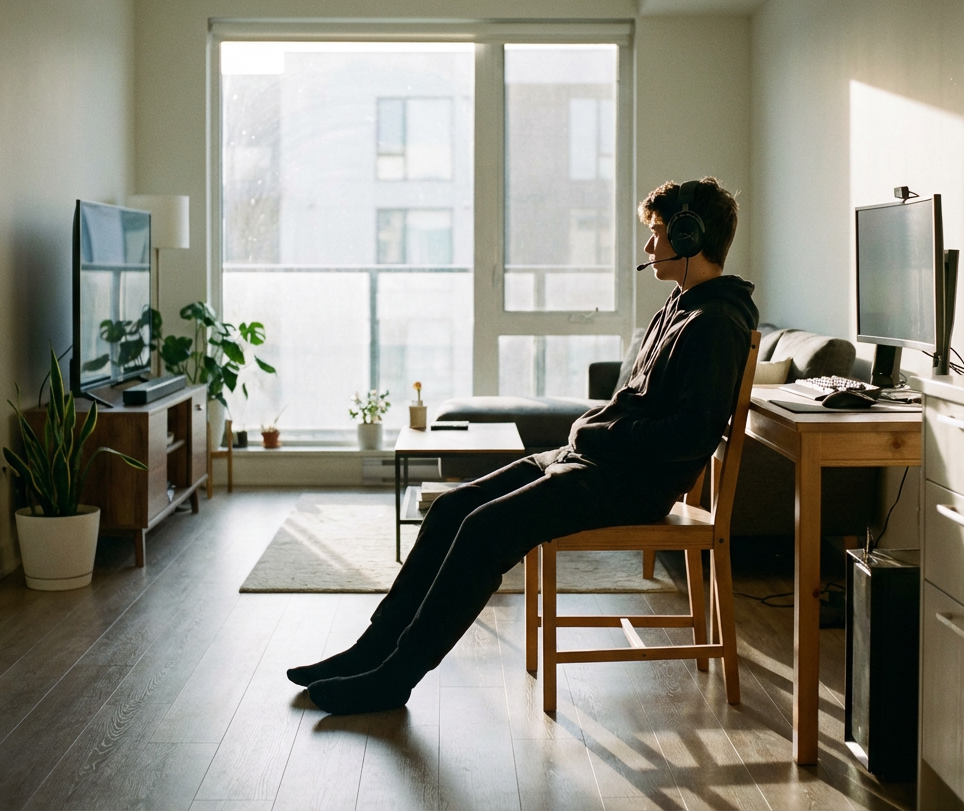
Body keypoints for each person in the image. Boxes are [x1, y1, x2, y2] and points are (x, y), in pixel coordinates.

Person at [289, 176, 759, 715]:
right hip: (592, 462)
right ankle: (369, 651)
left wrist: (600, 431)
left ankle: (395, 677)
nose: (650, 247)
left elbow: (691, 434)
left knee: (485, 530)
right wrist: (595, 430)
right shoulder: (681, 306)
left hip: (627, 484)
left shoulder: (715, 322)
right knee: (449, 509)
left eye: (657, 233)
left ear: (690, 234)